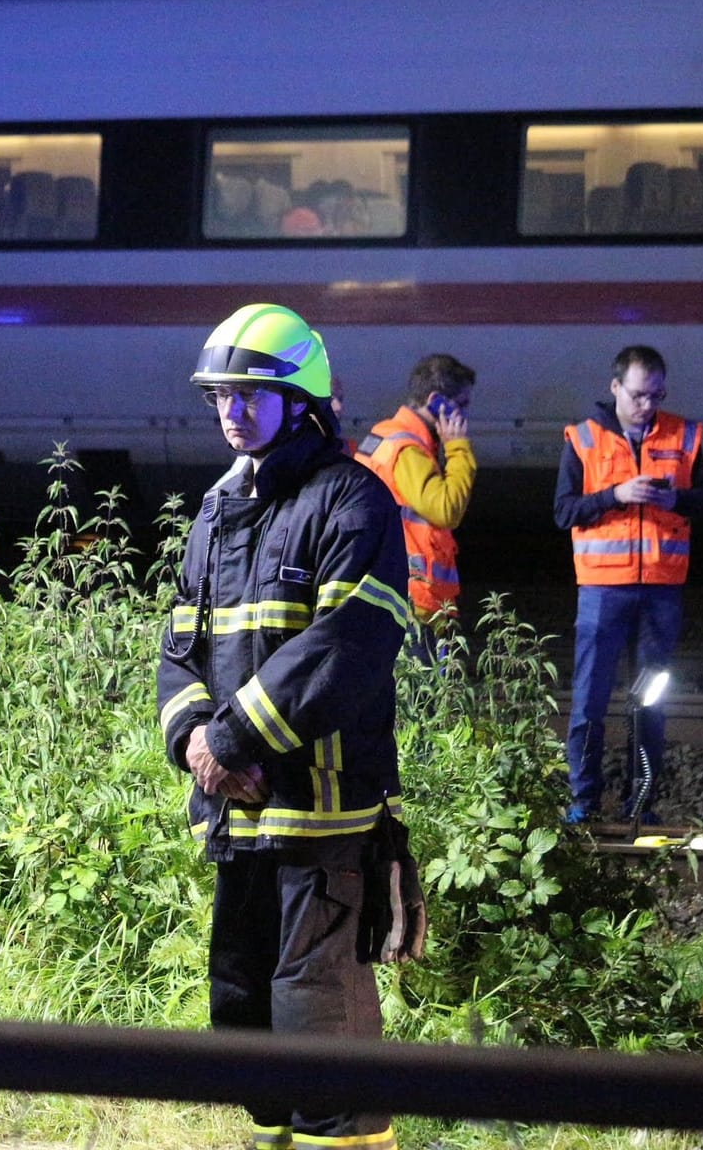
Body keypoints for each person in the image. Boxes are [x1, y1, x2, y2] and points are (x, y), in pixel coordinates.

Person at [157, 302, 414, 1150]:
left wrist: (229, 745)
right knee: (244, 1011)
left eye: (249, 396)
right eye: (220, 397)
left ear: (300, 401)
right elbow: (180, 650)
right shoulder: (221, 508)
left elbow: (343, 649)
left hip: (321, 814)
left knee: (319, 1013)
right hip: (239, 813)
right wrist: (195, 744)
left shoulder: (353, 501)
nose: (231, 412)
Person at [554, 345, 703, 825]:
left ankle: (640, 802)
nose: (648, 405)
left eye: (656, 396)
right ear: (615, 387)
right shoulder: (583, 438)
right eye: (640, 395)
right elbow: (564, 512)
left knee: (652, 702)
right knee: (590, 702)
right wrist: (614, 495)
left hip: (661, 589)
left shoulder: (684, 434)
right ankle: (584, 801)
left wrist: (674, 497)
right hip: (603, 589)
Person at [356, 353, 479, 626]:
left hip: (391, 591)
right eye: (462, 405)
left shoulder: (388, 435)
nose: (466, 415)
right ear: (437, 402)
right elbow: (447, 509)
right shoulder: (408, 450)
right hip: (415, 601)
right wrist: (457, 448)